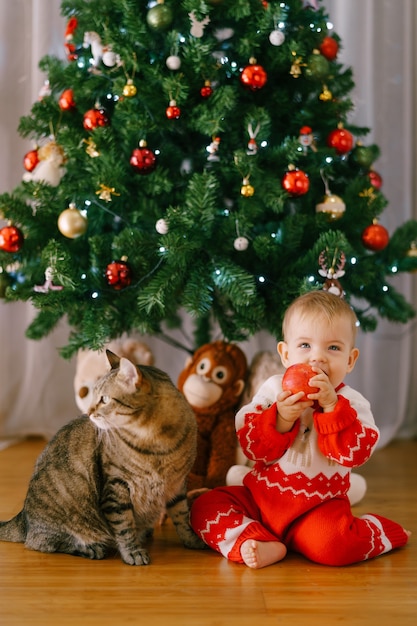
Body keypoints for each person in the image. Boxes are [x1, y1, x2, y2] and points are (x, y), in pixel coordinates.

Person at [190, 290, 410, 568]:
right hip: (262, 499)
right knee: (205, 507)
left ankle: (377, 532)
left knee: (335, 547)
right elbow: (251, 444)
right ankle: (256, 539)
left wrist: (332, 409)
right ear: (285, 353)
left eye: (333, 348)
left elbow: (355, 454)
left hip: (318, 509)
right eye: (305, 345)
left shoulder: (352, 403)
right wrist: (280, 418)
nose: (316, 359)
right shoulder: (273, 390)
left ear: (350, 360)